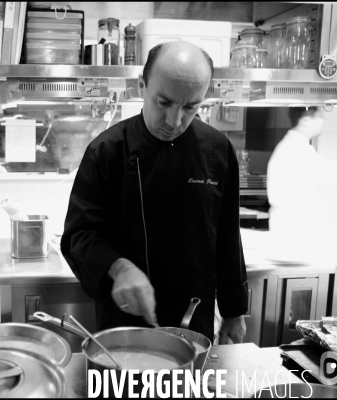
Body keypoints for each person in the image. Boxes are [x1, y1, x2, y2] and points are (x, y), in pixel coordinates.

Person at [61, 41, 248, 344]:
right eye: (164, 102)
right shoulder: (107, 151)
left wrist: (233, 311)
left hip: (193, 321)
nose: (175, 122)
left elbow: (227, 237)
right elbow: (80, 235)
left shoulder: (218, 150)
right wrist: (119, 268)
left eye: (191, 107)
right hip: (125, 324)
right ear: (141, 86)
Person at [266, 107, 337, 262]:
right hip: (292, 225)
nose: (323, 121)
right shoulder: (297, 148)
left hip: (290, 223)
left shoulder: (294, 145)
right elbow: (332, 174)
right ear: (306, 120)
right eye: (320, 117)